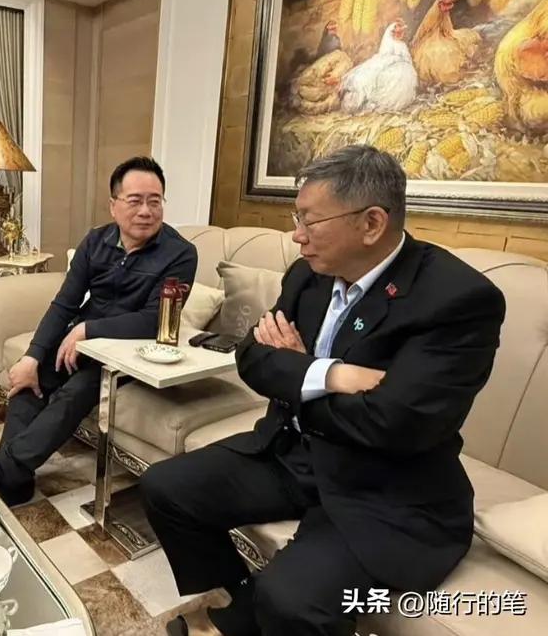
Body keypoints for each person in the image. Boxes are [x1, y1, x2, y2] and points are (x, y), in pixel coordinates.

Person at [141, 145, 506, 636]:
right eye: (298, 219)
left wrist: (296, 373)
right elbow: (251, 356)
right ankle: (242, 605)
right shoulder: (308, 275)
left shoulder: (456, 299)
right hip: (292, 453)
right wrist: (331, 374)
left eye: (310, 221)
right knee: (166, 488)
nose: (297, 235)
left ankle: (259, 611)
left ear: (371, 223)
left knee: (291, 600)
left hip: (384, 484)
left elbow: (396, 423)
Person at [0, 156, 198, 506]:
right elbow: (65, 303)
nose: (146, 211)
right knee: (27, 380)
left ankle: (4, 469)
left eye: (155, 201)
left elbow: (153, 321)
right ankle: (16, 479)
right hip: (80, 343)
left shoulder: (181, 254)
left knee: (76, 392)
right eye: (135, 201)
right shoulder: (95, 241)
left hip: (128, 355)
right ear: (113, 205)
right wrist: (33, 355)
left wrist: (88, 329)